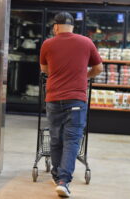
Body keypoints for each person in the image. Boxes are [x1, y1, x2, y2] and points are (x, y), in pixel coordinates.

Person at [40, 12, 103, 197]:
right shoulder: (86, 42)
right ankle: (63, 181)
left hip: (53, 98)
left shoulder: (47, 44)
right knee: (72, 140)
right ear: (73, 27)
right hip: (76, 99)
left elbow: (44, 69)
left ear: (56, 27)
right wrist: (84, 76)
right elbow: (99, 68)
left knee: (55, 139)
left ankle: (56, 174)